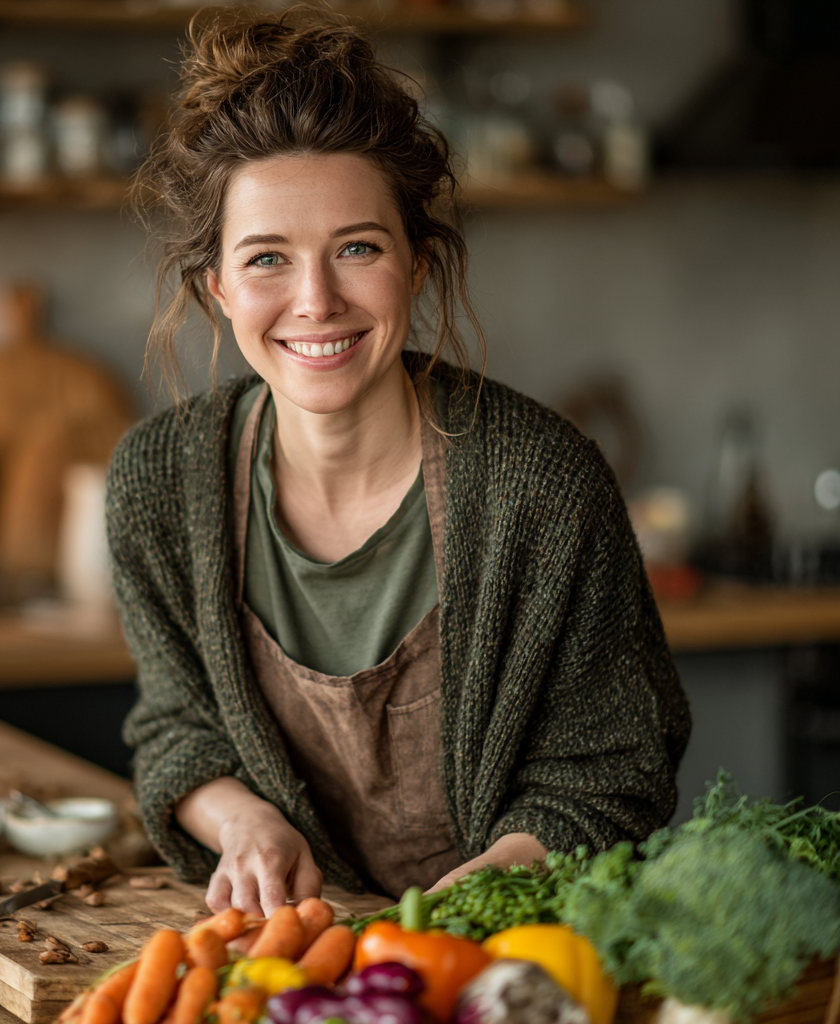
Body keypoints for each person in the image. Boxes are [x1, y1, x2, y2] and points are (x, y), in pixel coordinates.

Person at [107, 7, 691, 916]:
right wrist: (247, 825)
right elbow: (178, 731)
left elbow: (614, 773)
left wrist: (463, 912)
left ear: (417, 263)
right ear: (216, 289)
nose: (316, 300)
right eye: (267, 259)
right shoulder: (157, 484)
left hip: (520, 962)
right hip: (290, 965)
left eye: (358, 248)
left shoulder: (543, 485)